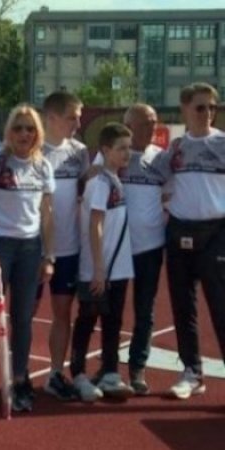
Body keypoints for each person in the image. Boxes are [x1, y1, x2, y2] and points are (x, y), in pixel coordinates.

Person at [0, 104, 55, 412]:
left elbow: (47, 214)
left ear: (37, 133)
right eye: (18, 128)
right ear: (9, 131)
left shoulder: (43, 166)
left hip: (30, 249)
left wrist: (49, 256)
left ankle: (20, 379)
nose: (24, 133)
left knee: (22, 318)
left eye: (30, 128)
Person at [147, 82, 225, 400]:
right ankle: (192, 373)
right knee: (182, 306)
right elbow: (149, 176)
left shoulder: (222, 143)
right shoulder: (176, 148)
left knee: (221, 307)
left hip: (217, 233)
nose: (207, 113)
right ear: (184, 109)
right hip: (180, 231)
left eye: (212, 107)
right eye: (200, 107)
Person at [100, 104, 165, 395]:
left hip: (150, 247)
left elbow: (171, 194)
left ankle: (137, 368)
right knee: (112, 310)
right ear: (128, 125)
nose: (151, 128)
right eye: (144, 123)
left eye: (153, 122)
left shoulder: (161, 158)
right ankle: (109, 368)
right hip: (117, 246)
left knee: (145, 310)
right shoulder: (112, 157)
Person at [70, 123, 135, 402]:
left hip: (117, 268)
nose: (127, 153)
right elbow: (95, 224)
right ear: (105, 150)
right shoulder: (99, 183)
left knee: (113, 321)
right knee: (87, 319)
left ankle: (110, 371)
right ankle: (78, 374)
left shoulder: (114, 179)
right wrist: (98, 268)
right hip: (98, 269)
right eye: (121, 148)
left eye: (129, 148)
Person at [39, 92, 89, 401]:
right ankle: (17, 375)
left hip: (69, 249)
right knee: (24, 314)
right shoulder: (33, 150)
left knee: (62, 313)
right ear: (52, 118)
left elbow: (87, 189)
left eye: (78, 117)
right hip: (34, 249)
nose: (78, 124)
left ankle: (55, 373)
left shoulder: (79, 152)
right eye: (72, 117)